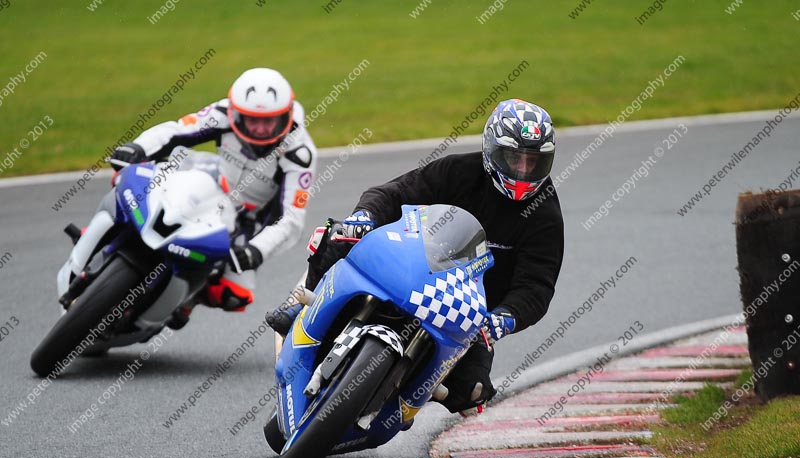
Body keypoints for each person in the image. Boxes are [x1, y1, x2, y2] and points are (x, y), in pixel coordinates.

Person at [269, 99, 564, 415]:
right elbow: (392, 193)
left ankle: (409, 398)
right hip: (413, 269)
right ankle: (303, 311)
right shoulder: (459, 171)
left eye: (532, 162)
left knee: (473, 392)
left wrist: (501, 320)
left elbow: (537, 288)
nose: (522, 170)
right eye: (514, 158)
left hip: (468, 314)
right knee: (336, 236)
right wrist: (364, 218)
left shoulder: (544, 215)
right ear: (492, 150)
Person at [59, 68, 317, 317]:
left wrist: (256, 250)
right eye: (252, 120)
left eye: (268, 121)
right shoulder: (223, 112)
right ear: (237, 114)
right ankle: (102, 233)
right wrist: (138, 147)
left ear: (284, 116)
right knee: (128, 180)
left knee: (234, 294)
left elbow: (291, 218)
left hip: (249, 217)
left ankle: (186, 299)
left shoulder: (299, 153)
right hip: (210, 177)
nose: (260, 129)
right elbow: (178, 129)